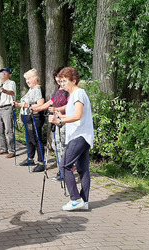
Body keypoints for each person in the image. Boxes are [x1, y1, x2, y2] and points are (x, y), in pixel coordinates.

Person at [49, 67, 94, 211]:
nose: (62, 84)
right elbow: (71, 115)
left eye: (65, 81)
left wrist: (60, 122)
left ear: (74, 81)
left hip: (79, 136)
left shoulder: (78, 93)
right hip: (83, 136)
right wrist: (59, 116)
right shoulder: (75, 94)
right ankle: (84, 201)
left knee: (64, 166)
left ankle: (75, 199)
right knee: (83, 170)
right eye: (60, 81)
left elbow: (78, 116)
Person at [31, 67, 70, 179]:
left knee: (64, 146)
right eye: (56, 77)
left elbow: (70, 105)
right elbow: (50, 102)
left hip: (65, 120)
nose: (58, 79)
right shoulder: (58, 89)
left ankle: (64, 171)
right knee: (56, 145)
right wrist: (37, 109)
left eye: (60, 77)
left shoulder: (69, 90)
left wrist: (57, 110)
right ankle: (62, 169)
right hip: (55, 121)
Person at [14, 69, 45, 172]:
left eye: (29, 79)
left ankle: (41, 163)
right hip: (27, 117)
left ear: (35, 79)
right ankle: (30, 158)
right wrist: (18, 105)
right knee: (30, 139)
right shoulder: (31, 89)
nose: (27, 81)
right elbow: (26, 103)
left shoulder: (37, 89)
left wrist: (28, 105)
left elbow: (41, 104)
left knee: (36, 139)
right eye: (26, 79)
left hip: (34, 118)